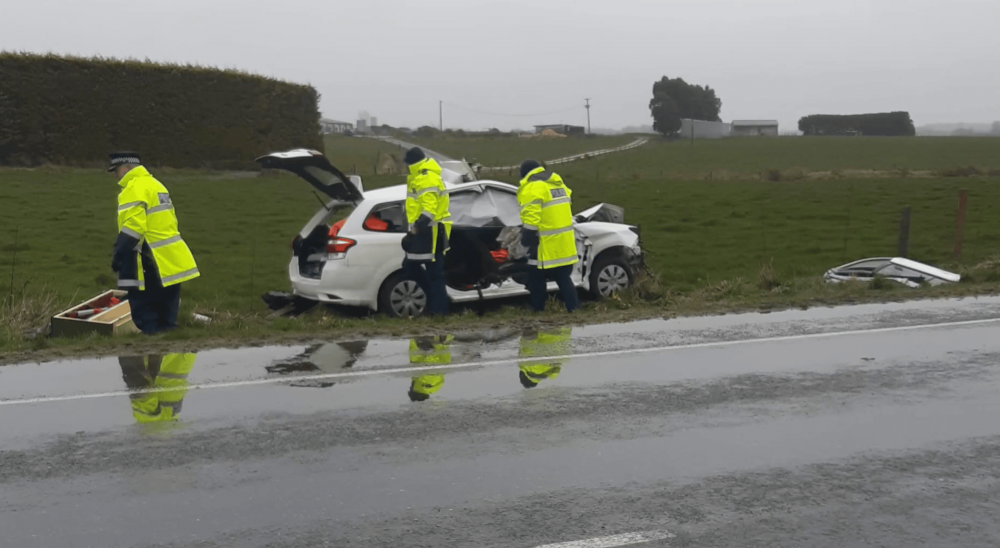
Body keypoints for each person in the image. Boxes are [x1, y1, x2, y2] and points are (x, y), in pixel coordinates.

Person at [110, 152, 199, 334]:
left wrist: (119, 253)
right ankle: (169, 354)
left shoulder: (133, 188)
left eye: (116, 170)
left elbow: (134, 228)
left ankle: (153, 347)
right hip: (169, 258)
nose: (115, 175)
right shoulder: (156, 185)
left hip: (147, 257)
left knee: (147, 314)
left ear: (126, 168)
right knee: (168, 316)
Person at [517, 160, 580, 313]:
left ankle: (537, 309)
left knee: (536, 277)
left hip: (543, 242)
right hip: (564, 242)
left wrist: (527, 235)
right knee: (563, 278)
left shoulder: (534, 186)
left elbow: (532, 215)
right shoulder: (557, 183)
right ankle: (574, 309)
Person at [402, 147, 452, 316]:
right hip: (427, 231)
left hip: (430, 232)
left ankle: (439, 309)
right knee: (413, 268)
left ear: (411, 163)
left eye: (406, 163)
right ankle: (437, 304)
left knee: (433, 273)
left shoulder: (427, 177)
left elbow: (429, 210)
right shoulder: (419, 177)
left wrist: (415, 228)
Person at [118, 353, 197, 423]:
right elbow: (141, 390)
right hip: (166, 356)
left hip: (184, 357)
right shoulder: (146, 421)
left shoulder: (170, 423)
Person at [408, 335, 454, 401]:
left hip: (442, 356)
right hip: (425, 349)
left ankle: (443, 338)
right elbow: (428, 369)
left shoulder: (436, 387)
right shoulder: (421, 386)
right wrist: (428, 352)